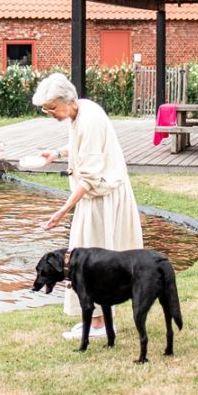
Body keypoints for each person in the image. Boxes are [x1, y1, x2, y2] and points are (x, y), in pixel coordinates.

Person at [33, 72, 144, 341]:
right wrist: (56, 154)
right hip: (96, 196)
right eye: (47, 110)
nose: (52, 115)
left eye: (52, 109)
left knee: (95, 261)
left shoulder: (90, 119)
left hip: (101, 198)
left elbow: (91, 175)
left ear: (66, 99)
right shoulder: (81, 110)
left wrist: (63, 210)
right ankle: (98, 320)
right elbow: (81, 148)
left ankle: (99, 325)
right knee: (89, 258)